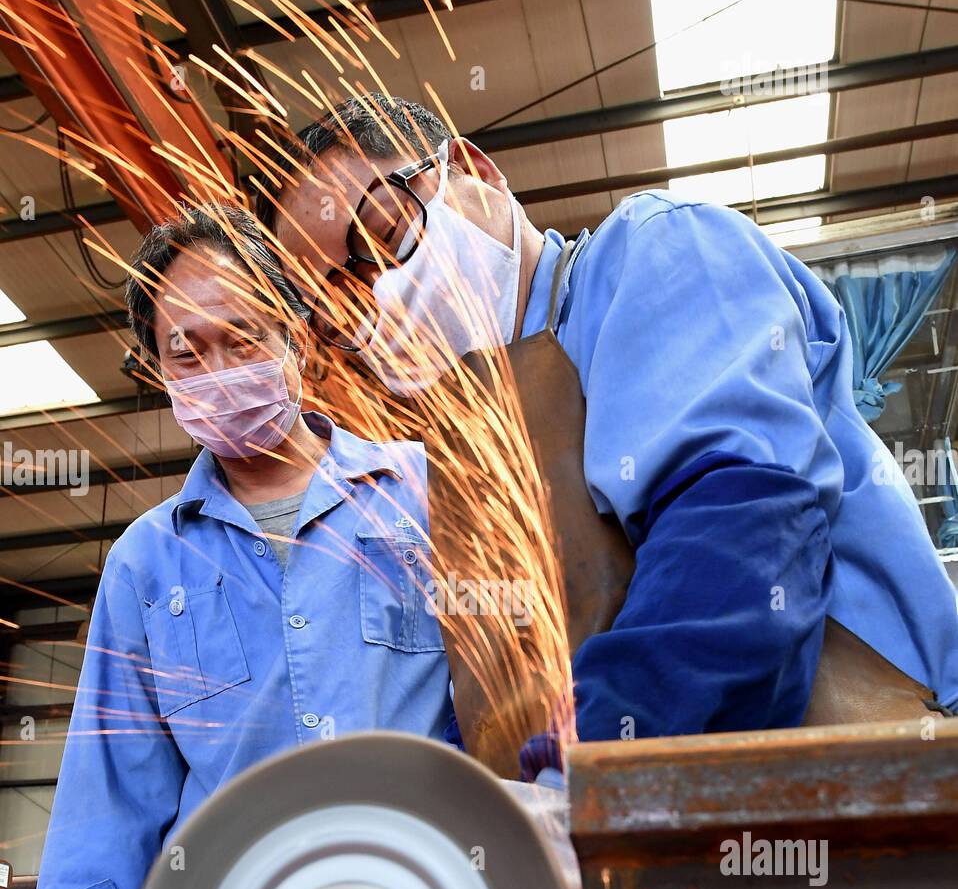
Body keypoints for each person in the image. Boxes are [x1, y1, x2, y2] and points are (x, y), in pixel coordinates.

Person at [19, 203, 554, 889]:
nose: (220, 367)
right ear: (158, 369)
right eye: (189, 350)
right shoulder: (146, 563)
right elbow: (110, 797)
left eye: (246, 336)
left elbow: (524, 720)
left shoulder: (427, 501)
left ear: (300, 338)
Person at [256, 94, 958, 766]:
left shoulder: (657, 252)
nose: (378, 291)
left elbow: (741, 540)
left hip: (871, 787)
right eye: (338, 302)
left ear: (474, 169)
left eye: (384, 232)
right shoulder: (475, 450)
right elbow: (500, 692)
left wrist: (584, 769)